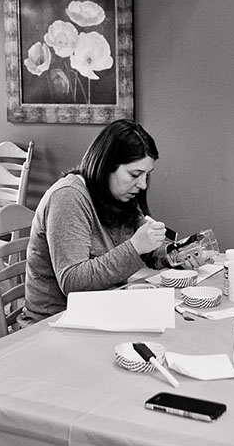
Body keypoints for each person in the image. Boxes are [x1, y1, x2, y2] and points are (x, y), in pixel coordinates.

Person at [19, 119, 205, 324]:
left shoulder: (118, 195)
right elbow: (72, 282)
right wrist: (134, 247)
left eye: (147, 175)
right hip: (55, 322)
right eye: (135, 174)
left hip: (104, 311)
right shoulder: (68, 197)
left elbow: (148, 251)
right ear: (107, 165)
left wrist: (175, 255)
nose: (143, 185)